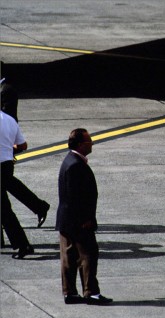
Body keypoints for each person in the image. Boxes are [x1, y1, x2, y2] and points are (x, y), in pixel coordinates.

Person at [56, 128, 112, 305]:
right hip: (78, 221)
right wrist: (85, 219)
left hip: (67, 220)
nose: (92, 143)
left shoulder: (70, 161)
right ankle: (91, 292)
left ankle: (70, 293)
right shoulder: (75, 165)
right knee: (88, 255)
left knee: (69, 257)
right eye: (89, 141)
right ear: (80, 145)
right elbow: (76, 197)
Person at [0, 78, 50, 228]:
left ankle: (38, 207)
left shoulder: (5, 90)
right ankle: (39, 206)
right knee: (9, 184)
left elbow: (9, 117)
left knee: (7, 186)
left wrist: (9, 142)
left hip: (4, 144)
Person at [0, 110, 35, 259]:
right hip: (7, 165)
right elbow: (23, 145)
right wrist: (8, 148)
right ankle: (39, 206)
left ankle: (23, 244)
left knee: (4, 210)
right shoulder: (9, 120)